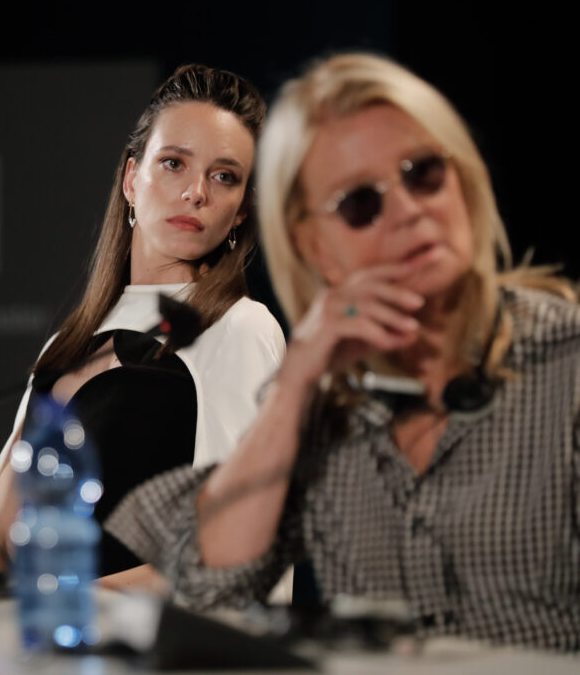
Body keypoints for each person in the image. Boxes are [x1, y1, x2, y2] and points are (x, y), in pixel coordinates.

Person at [105, 53, 580, 651]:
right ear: (315, 246)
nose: (407, 210)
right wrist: (296, 383)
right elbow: (207, 579)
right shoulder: (327, 405)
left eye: (424, 174)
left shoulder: (566, 358)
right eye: (360, 203)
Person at [0, 65, 285, 585]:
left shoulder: (239, 328)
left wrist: (66, 607)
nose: (196, 192)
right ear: (132, 179)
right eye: (174, 163)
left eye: (224, 176)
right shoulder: (68, 343)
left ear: (241, 210)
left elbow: (238, 551)